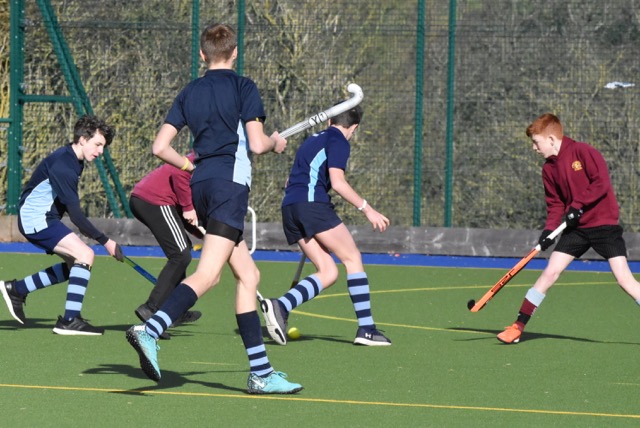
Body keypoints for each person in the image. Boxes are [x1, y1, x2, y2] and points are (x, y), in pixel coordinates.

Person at [125, 22, 303, 394]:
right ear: (235, 52)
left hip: (202, 185)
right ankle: (151, 329)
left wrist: (190, 167)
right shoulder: (244, 87)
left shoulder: (190, 91)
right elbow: (256, 145)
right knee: (207, 275)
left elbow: (160, 148)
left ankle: (261, 373)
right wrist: (275, 142)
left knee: (248, 276)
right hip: (228, 188)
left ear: (202, 54)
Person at [497, 113, 640, 344]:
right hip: (577, 230)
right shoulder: (548, 169)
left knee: (625, 280)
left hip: (604, 226)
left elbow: (601, 182)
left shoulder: (582, 152)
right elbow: (555, 204)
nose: (534, 148)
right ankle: (518, 326)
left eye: (536, 142)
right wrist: (548, 231)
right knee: (549, 273)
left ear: (551, 139)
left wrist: (577, 204)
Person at [260, 104, 392, 347]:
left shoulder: (311, 140)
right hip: (312, 205)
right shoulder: (339, 141)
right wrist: (368, 209)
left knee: (328, 272)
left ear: (329, 121)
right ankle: (366, 329)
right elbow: (338, 183)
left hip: (290, 207)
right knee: (352, 258)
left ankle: (281, 305)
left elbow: (290, 180)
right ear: (354, 127)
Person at [0, 115, 123, 335]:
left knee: (75, 265)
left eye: (103, 147)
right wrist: (106, 241)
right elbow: (76, 216)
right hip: (36, 218)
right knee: (85, 255)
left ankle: (17, 289)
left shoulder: (73, 160)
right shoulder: (64, 166)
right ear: (83, 139)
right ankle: (69, 320)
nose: (100, 151)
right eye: (98, 144)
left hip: (44, 217)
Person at [129, 151, 204, 339]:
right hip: (154, 199)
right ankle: (152, 308)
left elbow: (187, 216)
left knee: (183, 250)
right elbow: (180, 173)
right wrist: (188, 208)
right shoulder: (208, 155)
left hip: (155, 200)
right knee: (180, 255)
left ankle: (174, 310)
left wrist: (206, 235)